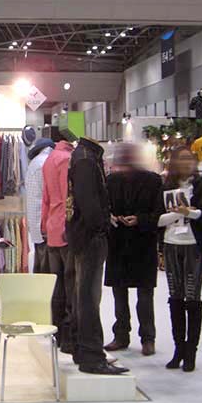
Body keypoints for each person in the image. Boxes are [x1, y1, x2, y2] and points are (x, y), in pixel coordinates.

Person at [67, 137, 128, 375]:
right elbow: (88, 203)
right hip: (89, 237)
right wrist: (102, 225)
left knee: (83, 295)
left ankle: (82, 349)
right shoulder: (85, 159)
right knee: (88, 297)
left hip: (85, 235)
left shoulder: (84, 156)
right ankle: (91, 356)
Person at [158, 147, 202, 372]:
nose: (185, 163)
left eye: (189, 159)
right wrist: (178, 213)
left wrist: (188, 212)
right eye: (181, 159)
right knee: (175, 297)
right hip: (171, 243)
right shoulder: (166, 186)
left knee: (192, 297)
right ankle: (178, 348)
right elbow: (158, 218)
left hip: (194, 245)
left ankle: (191, 351)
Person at [104, 143, 164, 356]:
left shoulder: (153, 181)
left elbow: (160, 212)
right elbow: (105, 207)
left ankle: (148, 337)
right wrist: (112, 217)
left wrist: (140, 219)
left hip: (143, 243)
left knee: (144, 295)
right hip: (118, 243)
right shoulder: (111, 181)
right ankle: (121, 335)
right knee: (119, 294)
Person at [41, 140, 75, 353]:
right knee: (70, 284)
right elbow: (66, 196)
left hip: (52, 226)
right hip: (64, 227)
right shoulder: (66, 159)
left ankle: (57, 333)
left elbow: (46, 198)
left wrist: (44, 223)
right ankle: (69, 337)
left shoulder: (48, 160)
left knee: (57, 284)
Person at [24, 138, 55, 273]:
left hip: (37, 222)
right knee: (48, 267)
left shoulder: (34, 164)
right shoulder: (47, 163)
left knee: (41, 264)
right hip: (45, 222)